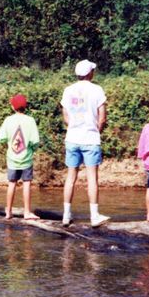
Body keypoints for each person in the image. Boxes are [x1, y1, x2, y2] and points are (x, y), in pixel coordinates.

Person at [60, 59, 110, 227]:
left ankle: (66, 215)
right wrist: (96, 130)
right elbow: (102, 118)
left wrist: (75, 127)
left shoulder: (68, 90)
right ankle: (94, 216)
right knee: (92, 178)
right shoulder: (97, 90)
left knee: (70, 177)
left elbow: (66, 117)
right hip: (90, 138)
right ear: (90, 73)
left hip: (72, 138)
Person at [0, 94, 40, 220]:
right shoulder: (30, 120)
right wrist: (31, 149)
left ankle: (8, 212)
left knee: (12, 184)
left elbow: (0, 138)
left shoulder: (8, 120)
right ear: (25, 107)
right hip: (27, 158)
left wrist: (8, 143)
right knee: (26, 184)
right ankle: (26, 212)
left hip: (12, 158)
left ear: (12, 107)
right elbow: (35, 141)